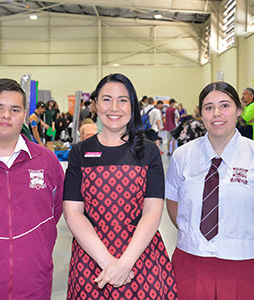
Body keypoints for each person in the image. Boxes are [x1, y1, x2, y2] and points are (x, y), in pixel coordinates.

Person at [63, 73, 177, 300]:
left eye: (123, 100)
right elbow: (72, 212)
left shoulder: (148, 151)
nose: (114, 107)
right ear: (96, 104)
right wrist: (108, 263)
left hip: (141, 259)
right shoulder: (80, 152)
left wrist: (125, 264)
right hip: (92, 260)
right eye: (107, 99)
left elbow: (153, 211)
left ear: (132, 105)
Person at [0, 78, 64, 299]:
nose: (6, 115)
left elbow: (54, 211)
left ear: (24, 114)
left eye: (14, 109)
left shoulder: (45, 161)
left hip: (33, 287)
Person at [166, 81, 254, 300]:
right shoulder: (183, 156)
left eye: (225, 106)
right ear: (201, 113)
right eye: (209, 107)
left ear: (239, 110)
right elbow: (172, 201)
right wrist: (191, 231)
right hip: (191, 261)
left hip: (246, 262)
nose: (216, 113)